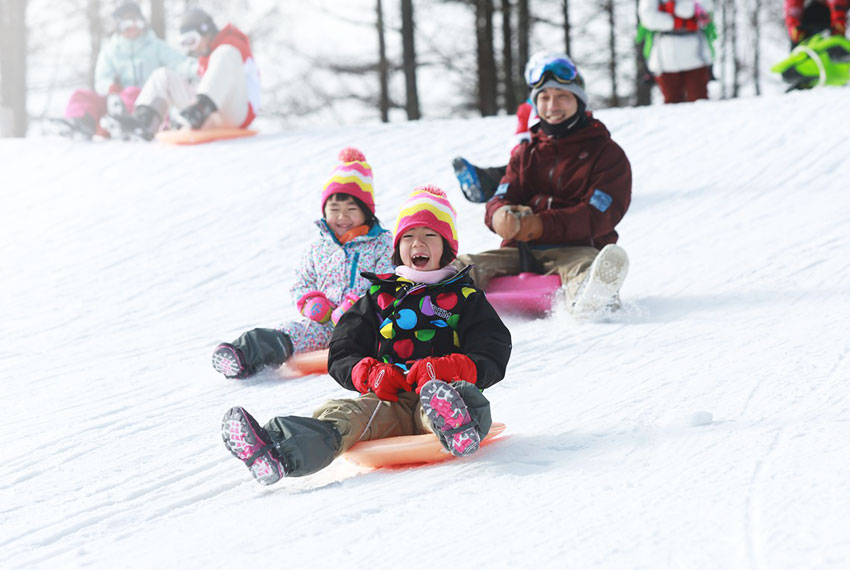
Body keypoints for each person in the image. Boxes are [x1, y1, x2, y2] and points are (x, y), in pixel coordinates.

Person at [221, 186, 512, 485]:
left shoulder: (464, 297)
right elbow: (343, 348)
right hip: (389, 399)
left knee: (457, 400)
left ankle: (459, 426)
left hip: (441, 390)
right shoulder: (378, 298)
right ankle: (277, 451)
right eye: (409, 237)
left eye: (429, 236)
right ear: (398, 246)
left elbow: (493, 350)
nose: (417, 244)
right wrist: (370, 374)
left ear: (446, 247)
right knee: (344, 415)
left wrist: (447, 368)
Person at [455, 54, 632, 315]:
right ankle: (436, 299)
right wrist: (499, 216)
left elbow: (597, 215)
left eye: (562, 96)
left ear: (578, 101)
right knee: (463, 265)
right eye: (544, 98)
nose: (552, 106)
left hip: (577, 250)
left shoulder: (607, 154)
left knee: (587, 267)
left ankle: (593, 298)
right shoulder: (526, 153)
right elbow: (501, 195)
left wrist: (540, 225)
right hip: (521, 252)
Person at [211, 148, 395, 379]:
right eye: (334, 209)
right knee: (290, 333)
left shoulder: (381, 243)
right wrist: (311, 300)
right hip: (324, 323)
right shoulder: (319, 248)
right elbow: (302, 280)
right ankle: (242, 355)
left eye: (351, 210)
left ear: (367, 212)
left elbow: (386, 281)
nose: (342, 217)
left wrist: (355, 306)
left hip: (366, 324)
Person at [103, 7, 260, 141]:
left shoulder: (232, 46)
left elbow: (228, 73)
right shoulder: (207, 57)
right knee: (162, 75)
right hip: (207, 116)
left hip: (237, 114)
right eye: (185, 43)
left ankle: (199, 109)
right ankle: (142, 123)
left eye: (191, 41)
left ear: (206, 31)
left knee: (225, 52)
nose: (191, 49)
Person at [55, 1, 193, 139]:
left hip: (146, 106)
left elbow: (179, 63)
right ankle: (81, 123)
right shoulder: (110, 51)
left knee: (132, 92)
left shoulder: (156, 47)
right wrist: (110, 86)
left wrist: (197, 68)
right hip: (114, 105)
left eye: (136, 22)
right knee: (82, 96)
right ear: (119, 26)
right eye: (127, 24)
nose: (132, 27)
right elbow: (101, 80)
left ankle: (135, 127)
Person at [451, 51, 550, 204]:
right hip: (531, 158)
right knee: (515, 170)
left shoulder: (570, 103)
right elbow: (519, 136)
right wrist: (521, 152)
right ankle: (483, 182)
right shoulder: (527, 109)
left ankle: (488, 182)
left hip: (555, 160)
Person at [637, 0, 715, 104]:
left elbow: (707, 8)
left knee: (700, 99)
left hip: (696, 53)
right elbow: (648, 17)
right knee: (672, 102)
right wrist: (676, 22)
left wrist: (678, 10)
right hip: (666, 56)